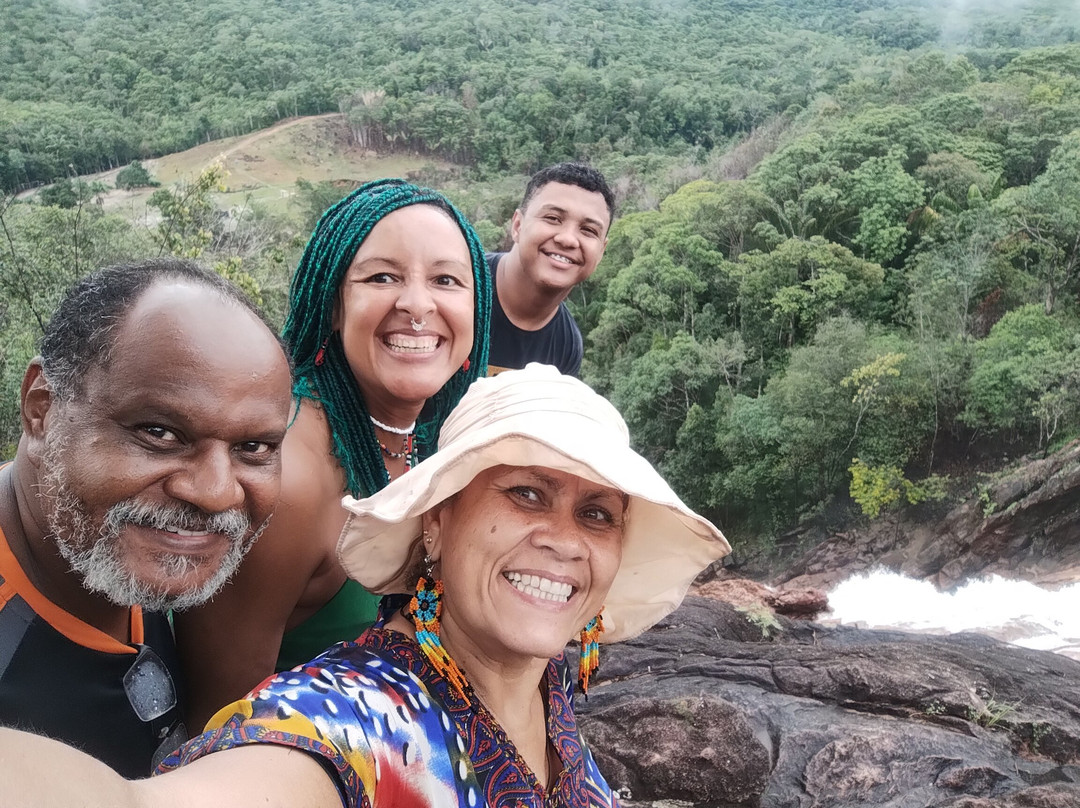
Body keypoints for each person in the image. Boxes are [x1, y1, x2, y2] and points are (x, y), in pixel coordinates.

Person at [0, 363, 730, 807]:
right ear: (437, 526)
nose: (564, 540)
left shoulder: (550, 684)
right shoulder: (358, 716)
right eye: (527, 495)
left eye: (597, 513)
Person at [175, 179, 492, 730]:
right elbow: (219, 727)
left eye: (446, 280)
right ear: (334, 306)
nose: (418, 304)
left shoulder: (437, 438)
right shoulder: (289, 480)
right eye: (382, 277)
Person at [0, 258, 294, 777]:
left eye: (253, 447)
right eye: (160, 433)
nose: (216, 493)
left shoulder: (121, 555)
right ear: (41, 410)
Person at [486, 163, 615, 376]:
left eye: (588, 230)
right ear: (518, 225)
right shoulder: (460, 285)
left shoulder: (565, 346)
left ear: (601, 250)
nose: (567, 239)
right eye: (553, 219)